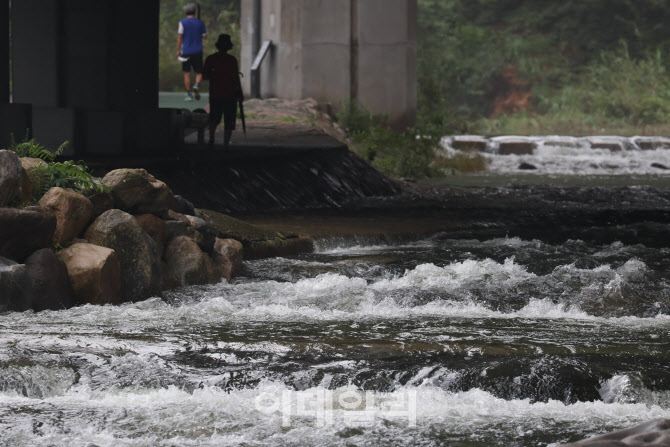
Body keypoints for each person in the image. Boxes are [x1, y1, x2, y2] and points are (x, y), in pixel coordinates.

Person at [202, 34, 243, 149]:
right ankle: (225, 144)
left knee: (214, 118)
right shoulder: (232, 60)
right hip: (230, 95)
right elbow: (236, 78)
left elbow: (205, 77)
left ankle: (211, 139)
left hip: (215, 94)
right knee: (229, 120)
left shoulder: (211, 59)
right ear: (229, 46)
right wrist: (240, 93)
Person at [176, 3, 207, 101]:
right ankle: (197, 85)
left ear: (186, 12)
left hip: (186, 51)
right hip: (197, 51)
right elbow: (205, 36)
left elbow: (180, 36)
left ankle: (189, 95)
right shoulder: (200, 23)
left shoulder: (182, 22)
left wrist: (178, 50)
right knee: (199, 72)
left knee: (187, 73)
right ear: (195, 12)